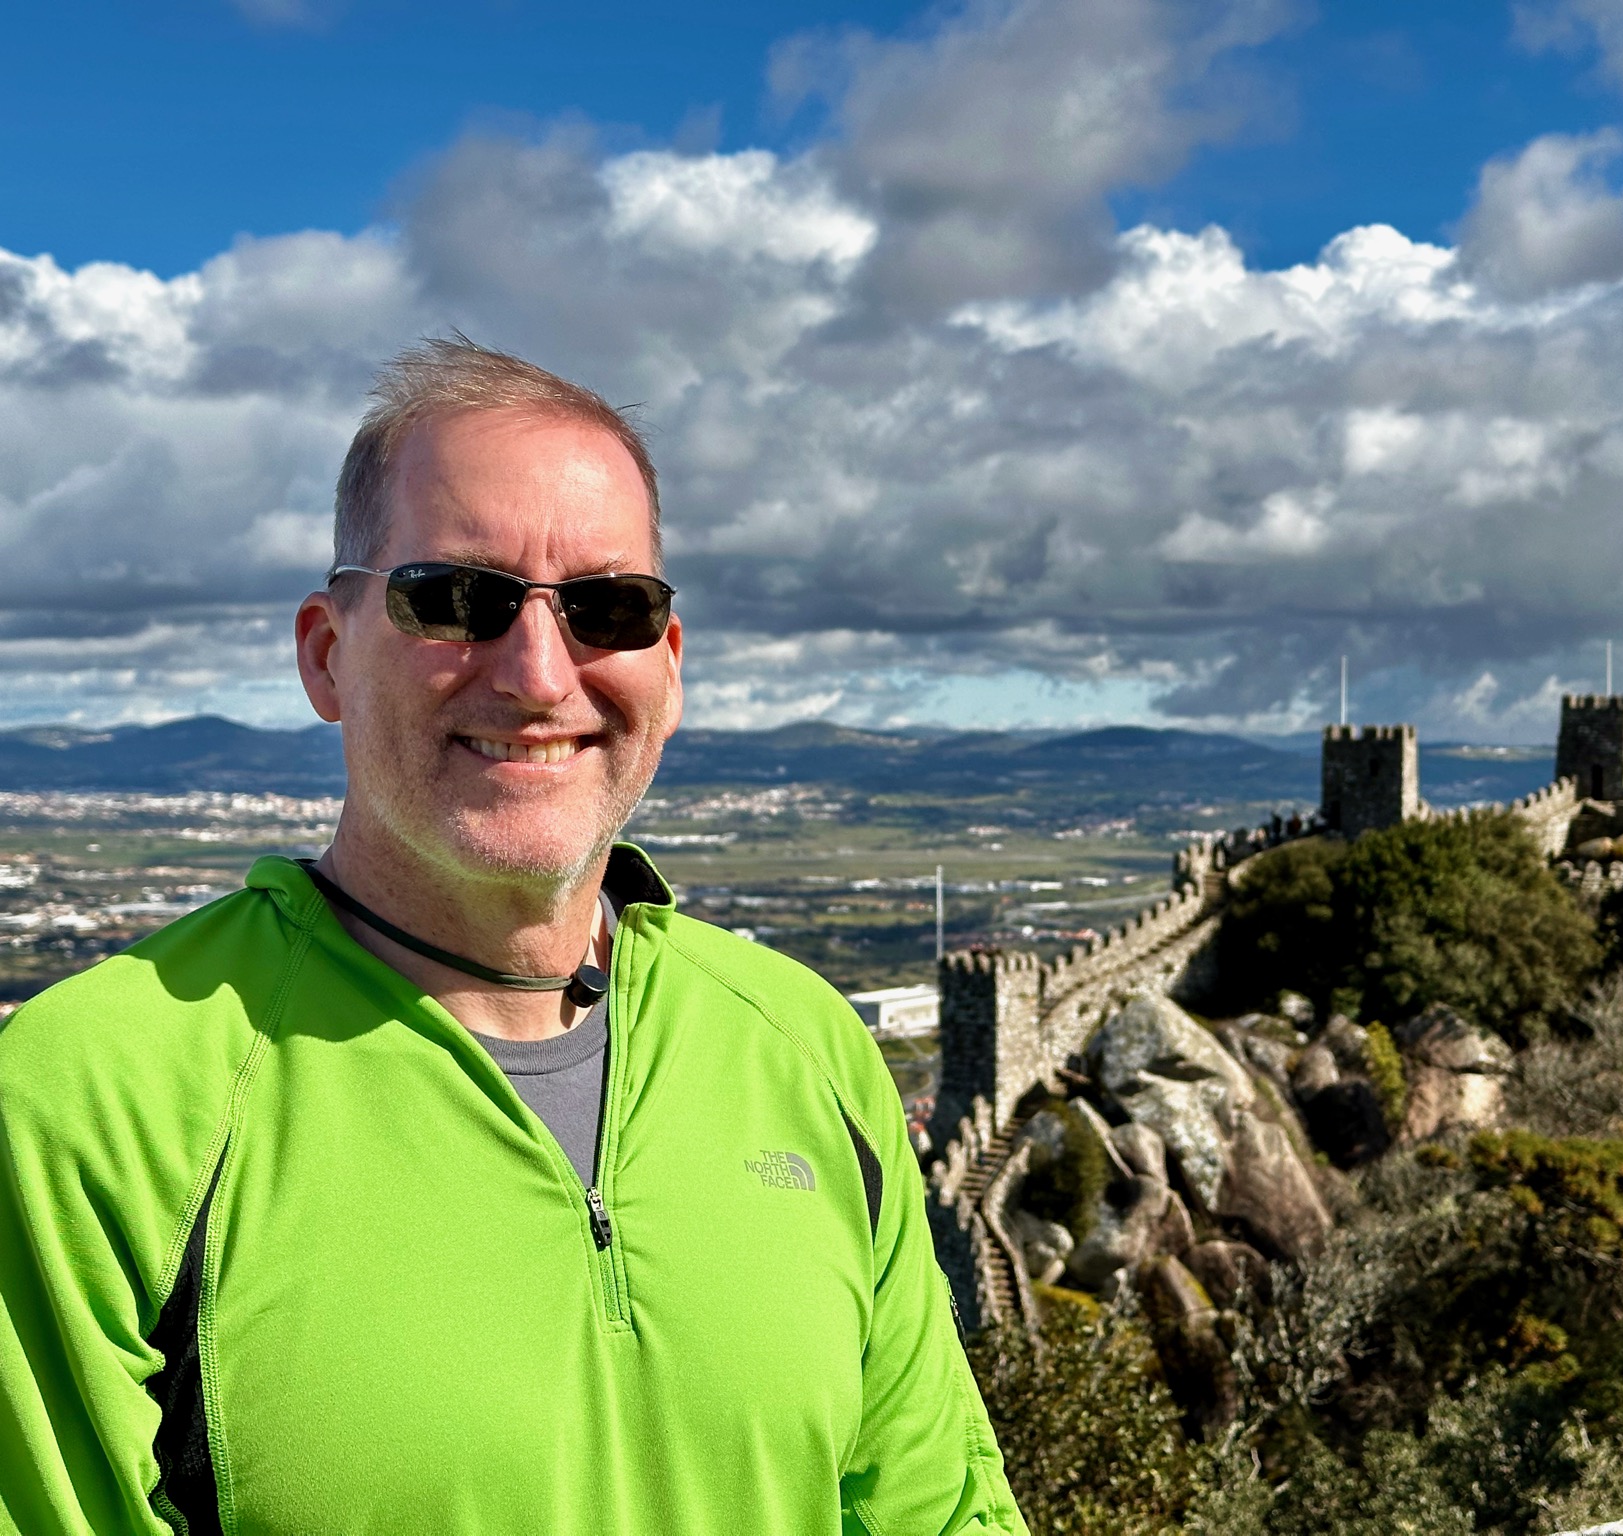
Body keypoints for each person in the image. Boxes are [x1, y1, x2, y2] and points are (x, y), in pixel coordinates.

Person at [0, 338, 1025, 1535]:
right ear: (327, 655)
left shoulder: (800, 1043)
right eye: (456, 600)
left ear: (667, 665)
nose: (539, 674)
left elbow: (936, 1512)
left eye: (607, 607)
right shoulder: (88, 1100)